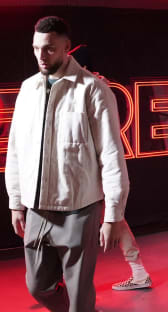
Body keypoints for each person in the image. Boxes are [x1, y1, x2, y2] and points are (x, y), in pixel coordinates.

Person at [5, 16, 130, 312]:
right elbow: (16, 148)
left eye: (48, 48)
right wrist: (16, 202)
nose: (41, 56)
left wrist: (114, 214)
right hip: (36, 208)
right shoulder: (28, 89)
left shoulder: (92, 89)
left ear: (65, 46)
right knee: (38, 286)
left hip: (79, 207)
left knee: (79, 293)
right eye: (36, 49)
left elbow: (111, 154)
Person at [69, 45, 152, 291]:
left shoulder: (94, 89)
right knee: (110, 218)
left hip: (95, 167)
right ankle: (138, 273)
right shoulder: (90, 87)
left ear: (82, 67)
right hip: (92, 166)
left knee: (89, 219)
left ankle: (67, 283)